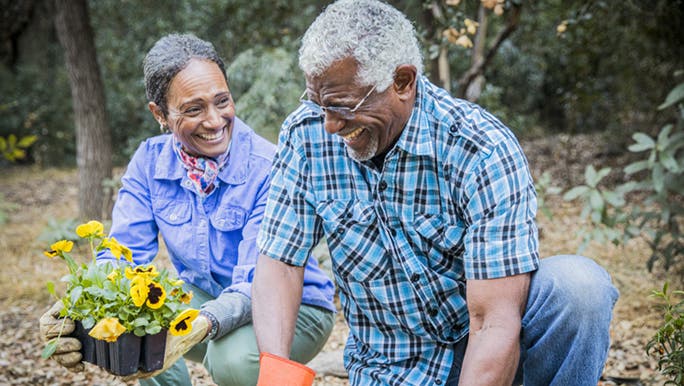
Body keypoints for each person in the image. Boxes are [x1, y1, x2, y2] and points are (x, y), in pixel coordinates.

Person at [251, 1, 620, 385]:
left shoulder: (480, 150)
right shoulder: (305, 135)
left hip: (491, 354)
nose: (328, 125)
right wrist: (277, 373)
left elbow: (491, 320)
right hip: (391, 367)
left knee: (579, 289)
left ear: (403, 82)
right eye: (318, 104)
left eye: (341, 106)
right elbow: (280, 261)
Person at [39, 33, 336, 386]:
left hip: (294, 308)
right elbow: (122, 258)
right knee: (134, 326)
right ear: (160, 114)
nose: (214, 121)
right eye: (194, 109)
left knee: (232, 360)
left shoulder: (267, 166)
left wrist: (204, 321)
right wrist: (80, 309)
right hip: (208, 297)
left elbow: (256, 282)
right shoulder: (150, 163)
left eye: (222, 101)